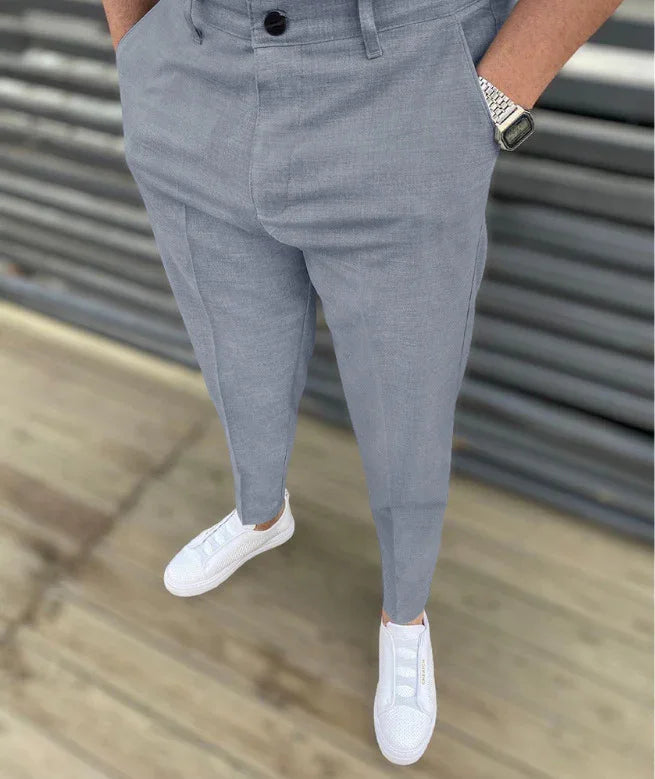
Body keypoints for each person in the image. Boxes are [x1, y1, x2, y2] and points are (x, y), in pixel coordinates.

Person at [102, 0, 622, 764]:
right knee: (235, 359)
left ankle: (404, 612)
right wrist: (138, 47)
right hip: (193, 66)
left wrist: (496, 93)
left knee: (405, 408)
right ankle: (258, 513)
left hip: (400, 85)